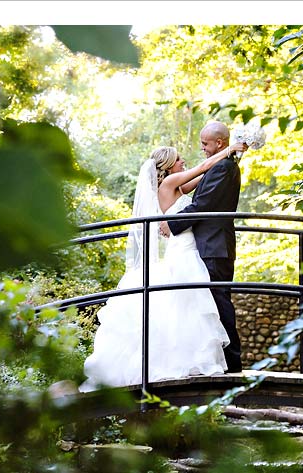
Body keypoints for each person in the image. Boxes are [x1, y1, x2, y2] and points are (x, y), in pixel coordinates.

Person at [79, 140, 247, 392]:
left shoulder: (174, 185)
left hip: (186, 245)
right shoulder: (169, 184)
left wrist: (233, 162)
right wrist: (230, 149)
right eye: (179, 159)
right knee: (187, 305)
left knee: (187, 307)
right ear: (168, 166)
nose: (183, 162)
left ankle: (191, 359)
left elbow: (206, 181)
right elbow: (203, 166)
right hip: (184, 249)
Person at [159, 121, 243, 373]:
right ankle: (218, 361)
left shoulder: (223, 168)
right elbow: (198, 193)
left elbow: (203, 205)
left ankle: (232, 363)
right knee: (207, 304)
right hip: (204, 246)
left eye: (205, 144)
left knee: (218, 303)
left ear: (219, 143)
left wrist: (171, 224)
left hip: (213, 246)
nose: (202, 149)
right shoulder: (219, 167)